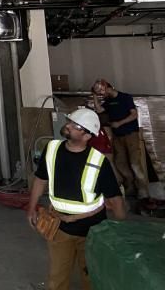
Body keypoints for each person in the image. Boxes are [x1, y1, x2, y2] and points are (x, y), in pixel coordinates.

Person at [27, 107, 126, 290]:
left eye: (75, 125)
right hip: (59, 227)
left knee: (92, 278)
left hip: (92, 231)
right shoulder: (52, 149)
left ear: (87, 136)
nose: (68, 126)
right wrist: (31, 208)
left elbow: (115, 199)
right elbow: (40, 179)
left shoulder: (98, 161)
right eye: (70, 121)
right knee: (57, 279)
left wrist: (121, 232)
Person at [91, 79, 148, 198]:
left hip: (130, 134)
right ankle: (130, 187)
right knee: (120, 163)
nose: (100, 94)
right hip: (117, 136)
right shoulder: (108, 102)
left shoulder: (125, 97)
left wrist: (119, 123)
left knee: (135, 163)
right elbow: (100, 110)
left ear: (106, 87)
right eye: (98, 93)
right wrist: (94, 96)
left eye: (100, 91)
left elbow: (134, 115)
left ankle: (143, 192)